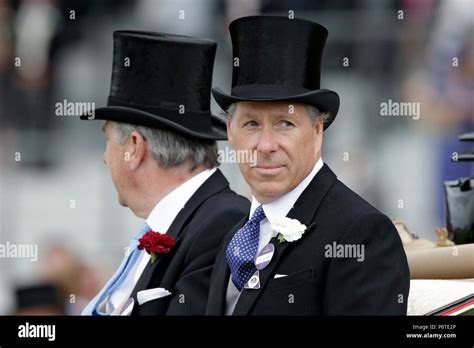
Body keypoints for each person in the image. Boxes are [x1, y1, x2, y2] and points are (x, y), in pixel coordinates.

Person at [206, 16, 410, 315]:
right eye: (250, 124)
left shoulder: (362, 233)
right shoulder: (235, 235)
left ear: (317, 132)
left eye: (285, 124)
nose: (265, 145)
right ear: (230, 132)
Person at [80, 30, 249, 315]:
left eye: (107, 140)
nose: (104, 158)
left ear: (134, 147)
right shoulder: (192, 220)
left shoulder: (221, 222)